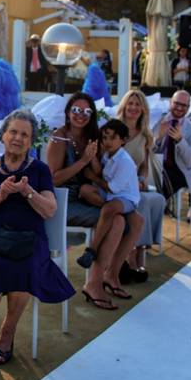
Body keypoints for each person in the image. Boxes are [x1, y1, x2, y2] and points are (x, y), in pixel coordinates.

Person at [0, 109, 74, 368]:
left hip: (31, 240)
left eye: (24, 134)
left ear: (31, 140)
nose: (17, 138)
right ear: (2, 136)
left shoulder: (39, 171)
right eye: (13, 131)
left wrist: (27, 192)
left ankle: (8, 333)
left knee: (25, 266)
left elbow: (50, 210)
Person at [47, 93, 137, 310]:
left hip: (88, 195)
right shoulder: (59, 138)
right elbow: (52, 179)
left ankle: (111, 275)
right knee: (117, 221)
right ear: (68, 112)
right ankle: (94, 284)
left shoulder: (92, 137)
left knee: (135, 219)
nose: (81, 115)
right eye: (76, 110)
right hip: (65, 201)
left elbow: (103, 169)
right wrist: (84, 161)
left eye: (86, 111)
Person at [75, 120, 144, 302]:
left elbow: (113, 188)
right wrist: (93, 160)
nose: (108, 141)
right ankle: (107, 274)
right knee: (85, 190)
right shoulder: (108, 155)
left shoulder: (125, 161)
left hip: (126, 199)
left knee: (111, 208)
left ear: (123, 140)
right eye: (105, 137)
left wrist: (92, 177)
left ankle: (93, 249)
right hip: (112, 196)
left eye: (113, 137)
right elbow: (102, 171)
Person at [113, 89, 164, 278]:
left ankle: (140, 252)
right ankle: (130, 258)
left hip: (135, 184)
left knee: (157, 200)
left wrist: (142, 179)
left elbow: (143, 166)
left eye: (137, 104)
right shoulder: (114, 129)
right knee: (141, 202)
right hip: (116, 183)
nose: (133, 108)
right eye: (130, 103)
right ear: (124, 106)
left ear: (143, 109)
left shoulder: (145, 135)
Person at [153, 90, 191, 217]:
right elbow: (148, 149)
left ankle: (158, 211)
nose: (179, 108)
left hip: (180, 171)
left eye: (184, 105)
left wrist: (180, 140)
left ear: (188, 107)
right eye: (177, 103)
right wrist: (158, 138)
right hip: (158, 166)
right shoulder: (158, 121)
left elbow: (190, 162)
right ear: (170, 103)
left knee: (160, 187)